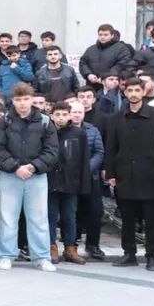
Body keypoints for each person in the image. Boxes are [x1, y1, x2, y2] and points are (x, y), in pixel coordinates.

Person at [105, 77, 154, 271]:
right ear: (125, 92)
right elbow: (111, 147)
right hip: (125, 175)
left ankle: (152, 256)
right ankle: (129, 254)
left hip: (151, 175)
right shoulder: (116, 117)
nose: (133, 94)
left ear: (144, 92)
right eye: (130, 91)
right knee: (127, 219)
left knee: (151, 221)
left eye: (137, 90)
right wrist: (110, 173)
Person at [0, 82, 59, 272]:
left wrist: (34, 166)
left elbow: (52, 150)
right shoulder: (4, 121)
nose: (22, 103)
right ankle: (6, 255)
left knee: (39, 218)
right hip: (10, 175)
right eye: (19, 99)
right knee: (8, 218)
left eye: (26, 99)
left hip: (36, 176)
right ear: (13, 100)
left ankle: (42, 257)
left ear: (32, 99)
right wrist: (15, 167)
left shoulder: (45, 121)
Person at [46, 101, 92, 265]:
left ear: (70, 115)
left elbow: (84, 160)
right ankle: (51, 247)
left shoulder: (79, 133)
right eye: (57, 114)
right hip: (50, 180)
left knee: (70, 216)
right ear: (51, 116)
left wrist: (84, 184)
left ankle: (70, 248)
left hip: (71, 181)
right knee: (50, 216)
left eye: (64, 114)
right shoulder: (46, 132)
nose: (61, 118)